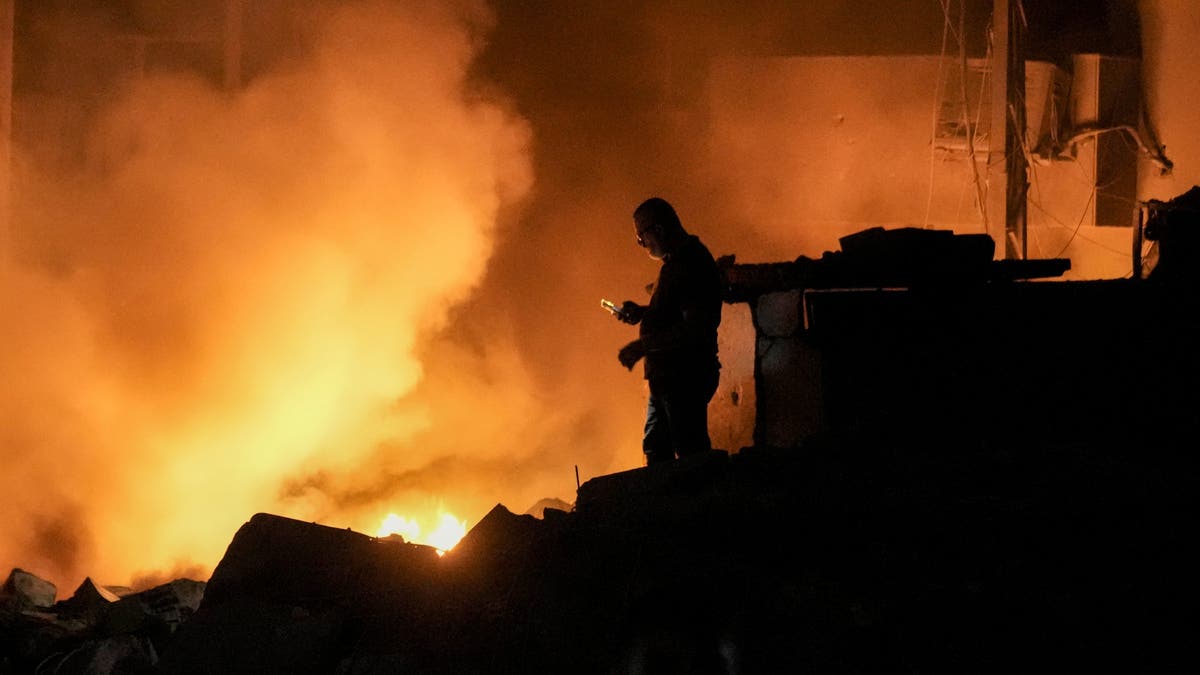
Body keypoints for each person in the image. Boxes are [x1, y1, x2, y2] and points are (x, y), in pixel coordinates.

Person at [611, 197, 723, 465]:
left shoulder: (691, 264)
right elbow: (673, 314)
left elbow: (695, 327)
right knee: (656, 449)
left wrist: (642, 346)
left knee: (690, 453)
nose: (642, 245)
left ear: (658, 230)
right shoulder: (675, 264)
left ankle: (699, 504)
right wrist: (642, 313)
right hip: (666, 380)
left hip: (684, 377)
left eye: (641, 237)